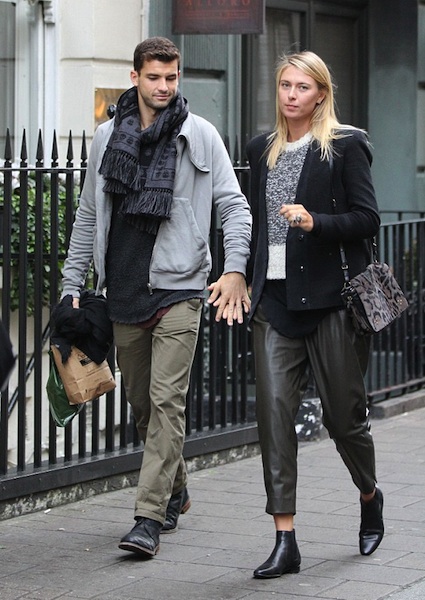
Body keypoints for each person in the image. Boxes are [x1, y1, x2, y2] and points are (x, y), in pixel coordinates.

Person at [61, 36, 251, 558]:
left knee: (167, 402)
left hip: (180, 287)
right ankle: (176, 488)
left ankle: (147, 518)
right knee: (143, 407)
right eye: (154, 77)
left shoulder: (199, 134)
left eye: (171, 77)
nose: (164, 86)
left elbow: (234, 207)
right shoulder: (107, 137)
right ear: (135, 78)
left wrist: (235, 268)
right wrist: (72, 284)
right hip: (123, 291)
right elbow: (88, 214)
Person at [246, 50, 383, 579]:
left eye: (302, 87)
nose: (291, 95)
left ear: (321, 93)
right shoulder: (260, 150)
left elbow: (367, 219)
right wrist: (241, 276)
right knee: (274, 419)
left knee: (344, 420)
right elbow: (254, 225)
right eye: (285, 85)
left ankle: (369, 495)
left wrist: (314, 222)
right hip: (275, 304)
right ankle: (285, 539)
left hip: (331, 305)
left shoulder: (345, 146)